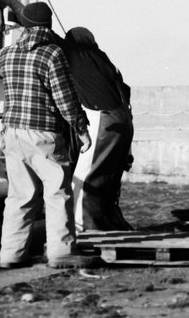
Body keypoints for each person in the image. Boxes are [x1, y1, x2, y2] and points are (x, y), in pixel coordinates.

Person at [0, 0, 100, 270]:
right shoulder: (53, 54)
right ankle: (61, 252)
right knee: (56, 193)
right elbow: (65, 100)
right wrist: (81, 129)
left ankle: (10, 255)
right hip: (43, 134)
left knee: (19, 196)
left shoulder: (9, 53)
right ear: (48, 25)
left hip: (12, 133)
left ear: (25, 26)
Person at [63, 27, 134, 231]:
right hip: (123, 119)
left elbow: (47, 33)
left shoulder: (75, 54)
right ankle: (107, 221)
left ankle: (81, 225)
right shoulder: (103, 59)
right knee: (109, 175)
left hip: (103, 119)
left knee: (88, 172)